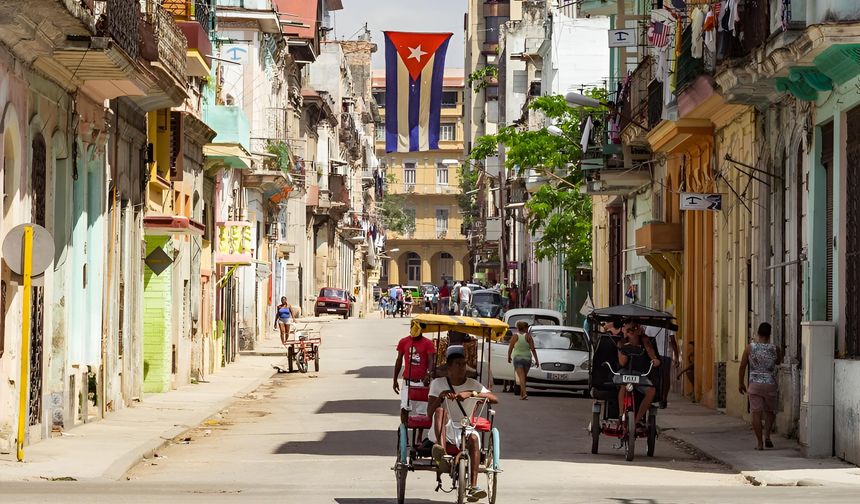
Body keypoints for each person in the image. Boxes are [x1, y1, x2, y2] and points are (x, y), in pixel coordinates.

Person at [428, 345, 498, 502]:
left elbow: (494, 399)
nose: (462, 367)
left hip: (465, 427)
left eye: (464, 364)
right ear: (449, 368)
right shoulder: (438, 383)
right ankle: (443, 456)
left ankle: (473, 486)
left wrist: (471, 394)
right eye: (458, 364)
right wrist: (440, 397)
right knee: (440, 411)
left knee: (474, 438)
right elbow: (429, 413)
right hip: (443, 428)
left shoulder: (473, 384)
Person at [739, 322, 781, 450]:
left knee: (756, 414)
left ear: (758, 333)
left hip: (755, 385)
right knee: (770, 412)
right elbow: (778, 361)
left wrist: (740, 383)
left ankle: (759, 443)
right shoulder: (775, 348)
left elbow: (742, 366)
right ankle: (767, 436)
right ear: (769, 335)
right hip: (770, 384)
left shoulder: (750, 348)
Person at [393, 321, 437, 432]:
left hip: (422, 382)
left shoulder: (428, 343)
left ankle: (419, 437)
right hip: (407, 381)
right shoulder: (404, 341)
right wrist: (395, 380)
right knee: (404, 408)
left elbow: (431, 360)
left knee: (422, 413)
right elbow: (399, 361)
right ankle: (404, 432)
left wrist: (428, 374)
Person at [618, 320, 660, 426]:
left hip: (639, 374)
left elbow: (651, 353)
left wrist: (655, 359)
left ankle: (637, 420)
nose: (632, 332)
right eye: (629, 330)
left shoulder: (644, 339)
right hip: (625, 372)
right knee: (624, 385)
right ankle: (621, 415)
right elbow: (622, 362)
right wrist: (627, 347)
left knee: (651, 391)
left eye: (634, 328)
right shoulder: (622, 342)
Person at [644, 324, 679, 408]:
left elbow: (646, 342)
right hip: (665, 354)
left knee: (653, 376)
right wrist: (676, 356)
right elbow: (673, 341)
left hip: (653, 355)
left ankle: (653, 397)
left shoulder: (649, 327)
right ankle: (663, 399)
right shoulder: (668, 326)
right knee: (665, 377)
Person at [507, 320, 539, 400]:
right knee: (524, 377)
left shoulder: (515, 336)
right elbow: (533, 349)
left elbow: (511, 347)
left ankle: (524, 393)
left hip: (518, 358)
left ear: (518, 328)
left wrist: (509, 356)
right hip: (527, 359)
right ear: (524, 328)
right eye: (527, 327)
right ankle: (522, 395)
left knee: (521, 377)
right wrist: (537, 360)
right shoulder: (528, 337)